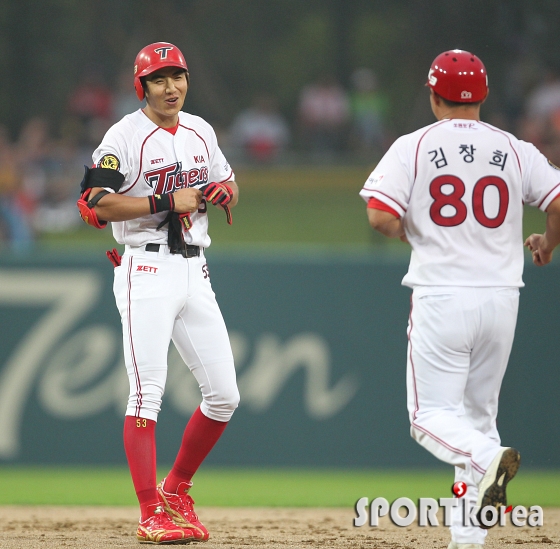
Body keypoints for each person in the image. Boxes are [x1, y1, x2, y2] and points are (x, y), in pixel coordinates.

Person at [360, 49, 560, 549]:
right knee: (478, 420)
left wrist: (419, 234)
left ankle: (484, 459)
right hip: (502, 297)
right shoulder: (513, 148)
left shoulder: (415, 145)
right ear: (484, 96)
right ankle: (467, 540)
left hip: (443, 294)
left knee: (429, 419)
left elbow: (380, 216)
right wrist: (548, 243)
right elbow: (558, 200)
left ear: (433, 95)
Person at [76, 42, 240, 544]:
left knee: (224, 396)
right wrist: (165, 198)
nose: (171, 87)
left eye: (178, 77)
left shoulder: (200, 129)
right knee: (146, 395)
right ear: (141, 86)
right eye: (159, 79)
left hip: (195, 267)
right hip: (144, 266)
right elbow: (93, 203)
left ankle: (176, 489)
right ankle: (151, 512)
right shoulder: (123, 135)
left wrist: (222, 192)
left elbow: (228, 183)